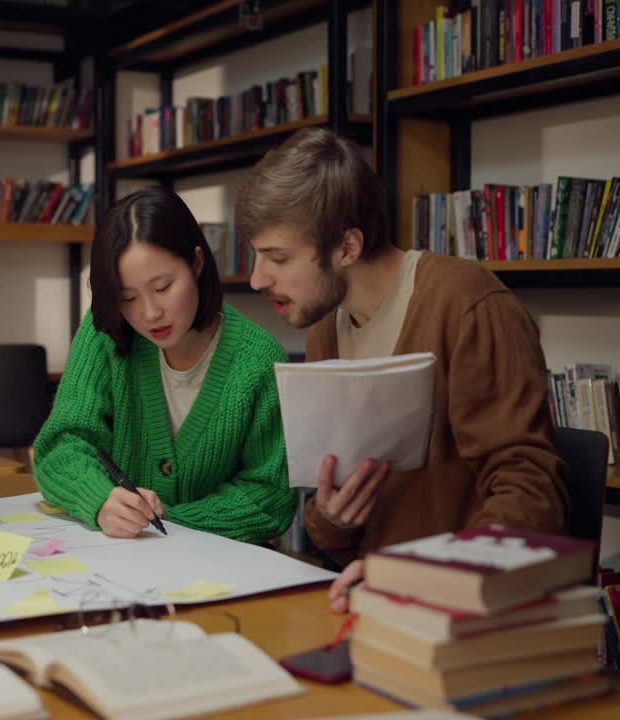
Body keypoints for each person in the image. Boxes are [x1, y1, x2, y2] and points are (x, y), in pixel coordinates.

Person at [235, 128, 569, 612]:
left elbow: (533, 492)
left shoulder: (468, 305)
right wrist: (333, 518)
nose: (257, 278)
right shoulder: (326, 329)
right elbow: (343, 529)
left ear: (347, 247)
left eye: (278, 258)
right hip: (370, 602)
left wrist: (426, 575)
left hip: (463, 615)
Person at [34, 187, 294, 543]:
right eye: (128, 297)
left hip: (219, 572)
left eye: (163, 286)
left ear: (197, 263)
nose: (150, 313)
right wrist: (101, 500)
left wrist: (173, 520)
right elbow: (62, 445)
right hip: (114, 561)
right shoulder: (105, 335)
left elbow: (271, 496)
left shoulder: (259, 361)